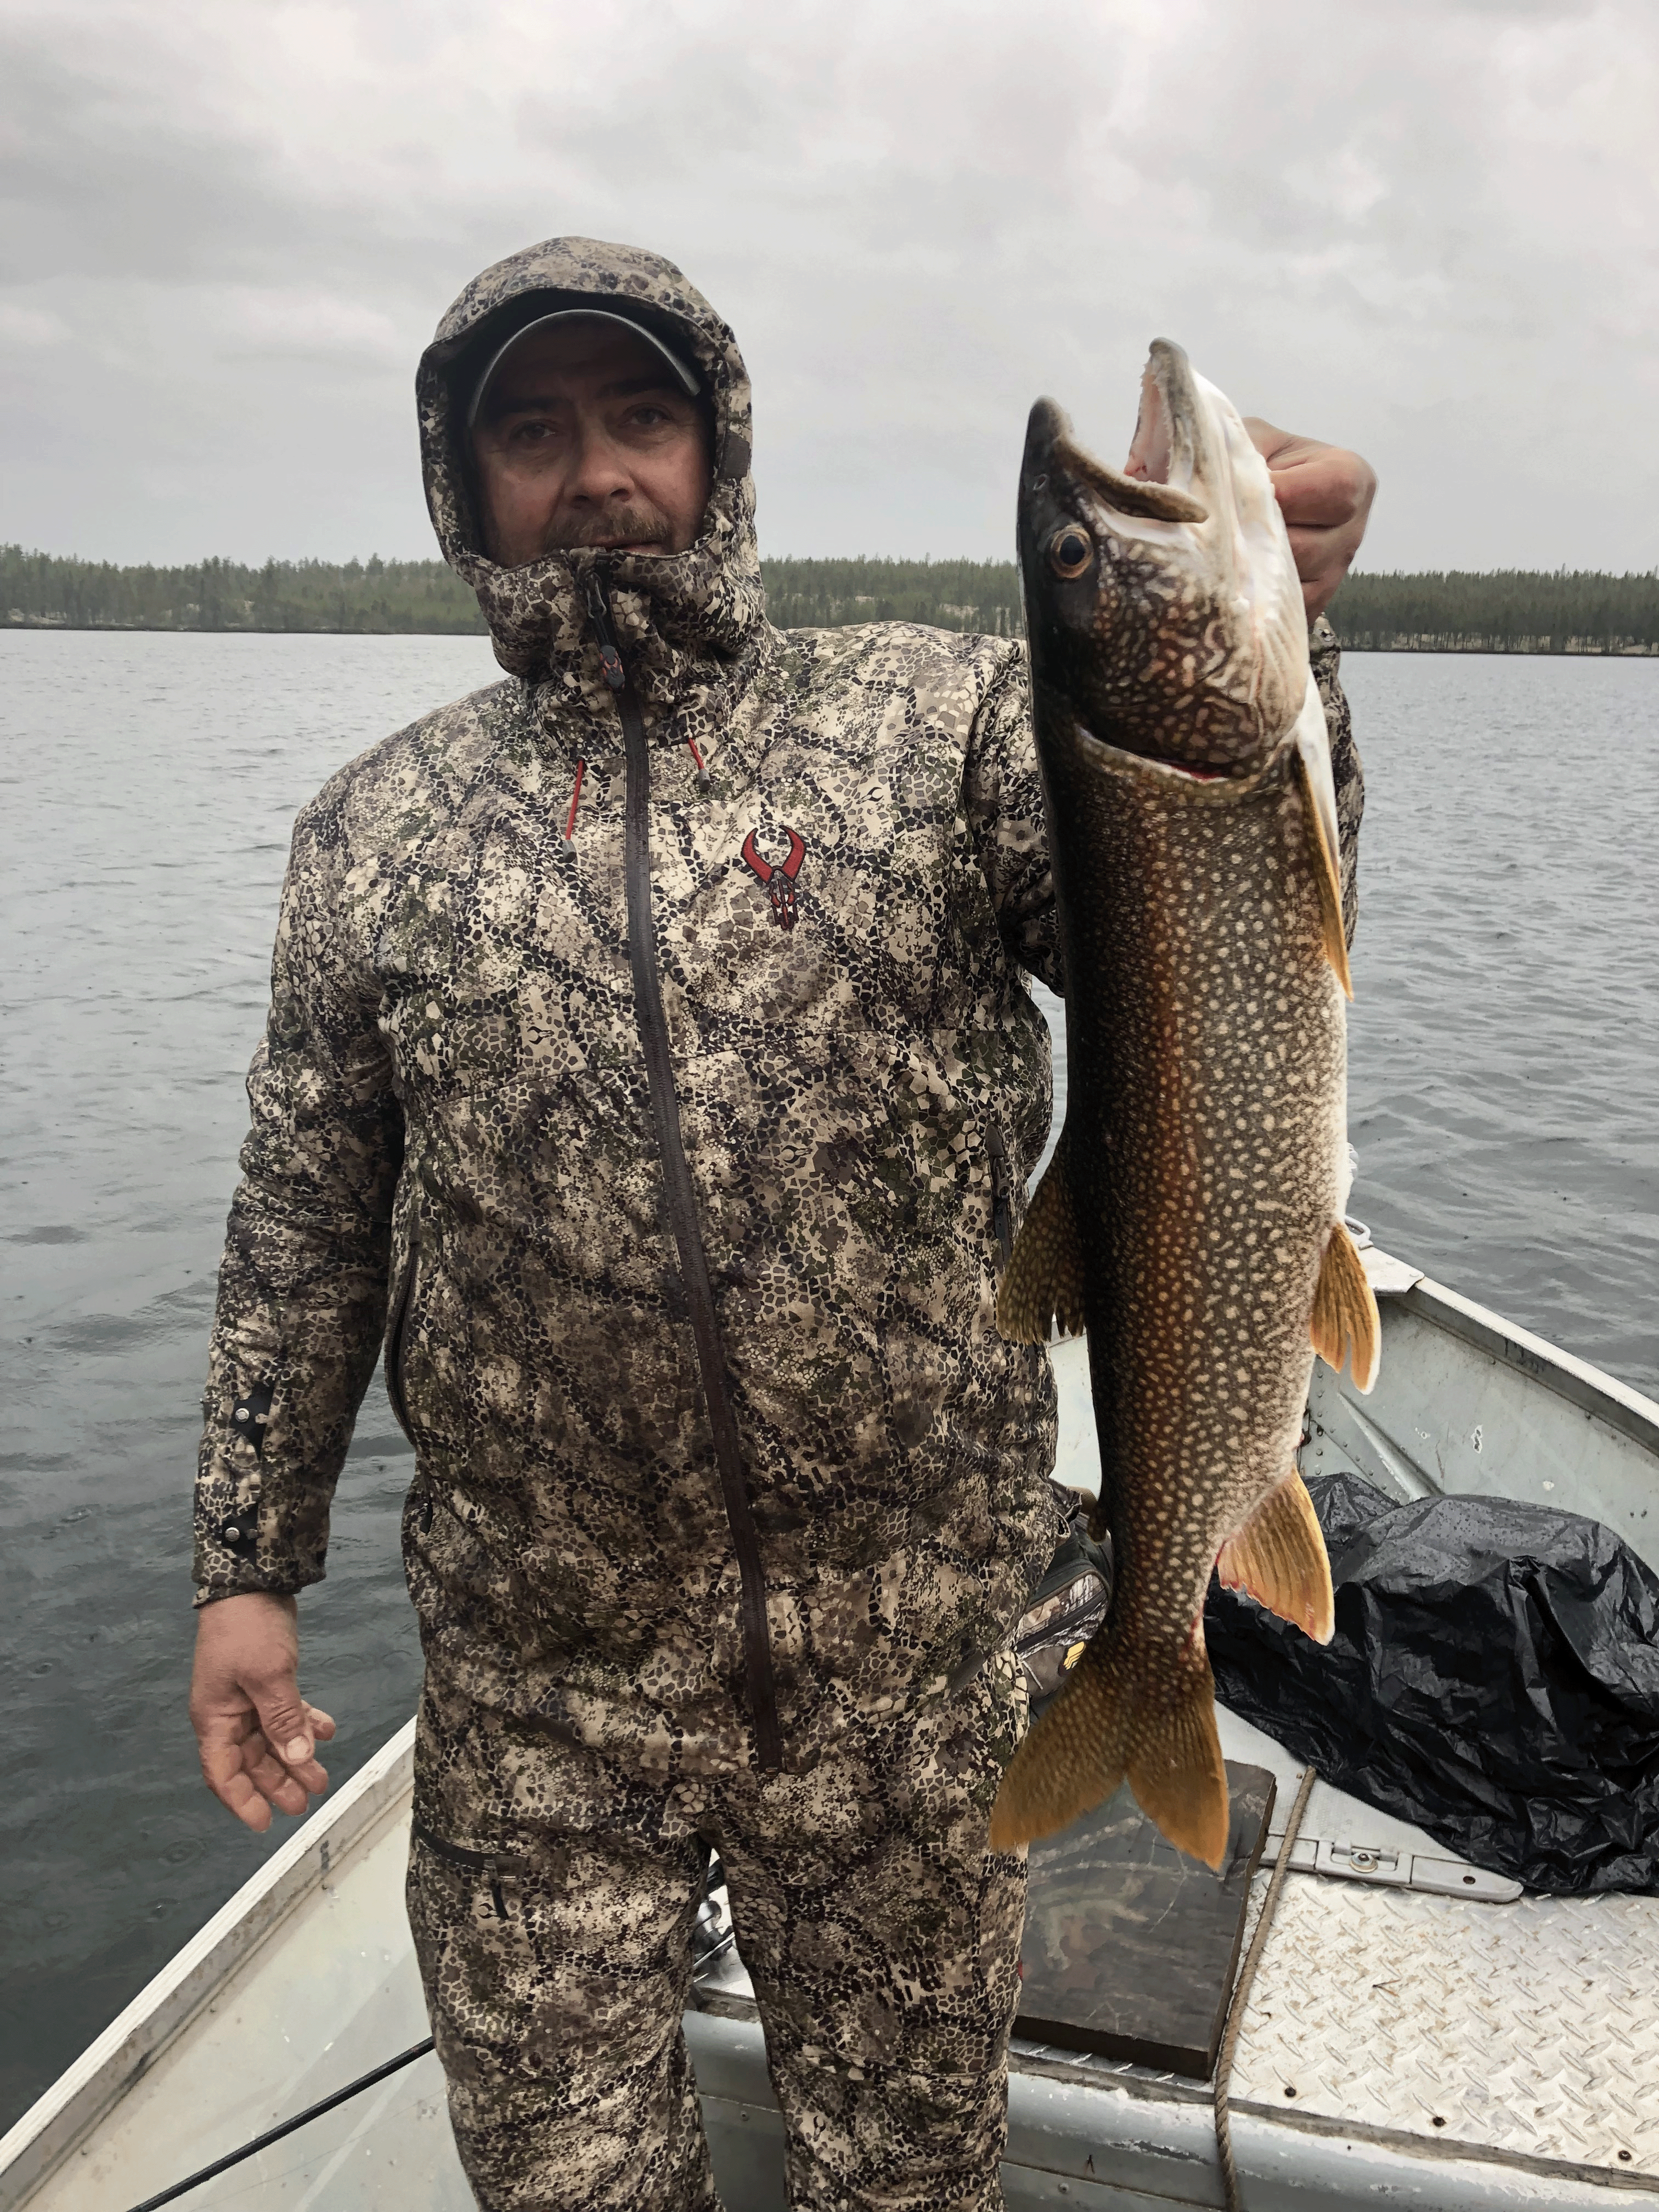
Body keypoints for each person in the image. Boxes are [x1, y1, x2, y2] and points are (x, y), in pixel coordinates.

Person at [187, 235, 1375, 2212]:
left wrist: (1299, 650)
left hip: (909, 1690)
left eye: (639, 414)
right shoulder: (374, 832)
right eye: (535, 430)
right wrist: (247, 1567)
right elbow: (306, 1224)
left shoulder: (943, 725)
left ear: (717, 446)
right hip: (536, 1719)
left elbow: (1208, 951)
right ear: (460, 480)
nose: (594, 472)